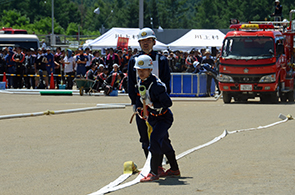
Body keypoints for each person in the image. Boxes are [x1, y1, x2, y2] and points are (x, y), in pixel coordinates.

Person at [128, 27, 171, 175]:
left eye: (148, 40)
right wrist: (134, 103)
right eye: (142, 41)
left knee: (161, 136)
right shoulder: (133, 60)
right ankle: (150, 164)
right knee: (144, 136)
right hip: (141, 104)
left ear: (154, 41)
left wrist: (162, 103)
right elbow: (130, 83)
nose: (145, 44)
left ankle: (159, 166)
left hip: (158, 105)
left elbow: (167, 83)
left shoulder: (162, 60)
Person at [132, 55, 180, 182]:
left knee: (154, 140)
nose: (141, 72)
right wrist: (139, 108)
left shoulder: (157, 86)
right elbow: (139, 97)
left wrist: (153, 105)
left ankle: (154, 172)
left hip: (163, 118)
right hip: (153, 117)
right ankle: (174, 169)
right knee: (164, 142)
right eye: (138, 70)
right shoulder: (140, 82)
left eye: (144, 70)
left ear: (150, 69)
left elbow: (168, 103)